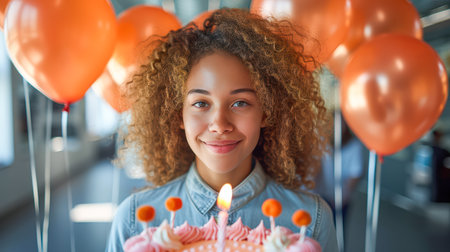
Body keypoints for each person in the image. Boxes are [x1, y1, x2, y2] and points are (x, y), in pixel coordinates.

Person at [106, 8, 338, 252]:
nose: (220, 124)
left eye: (240, 103)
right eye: (201, 103)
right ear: (178, 115)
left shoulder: (310, 221)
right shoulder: (135, 221)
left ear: (266, 112)